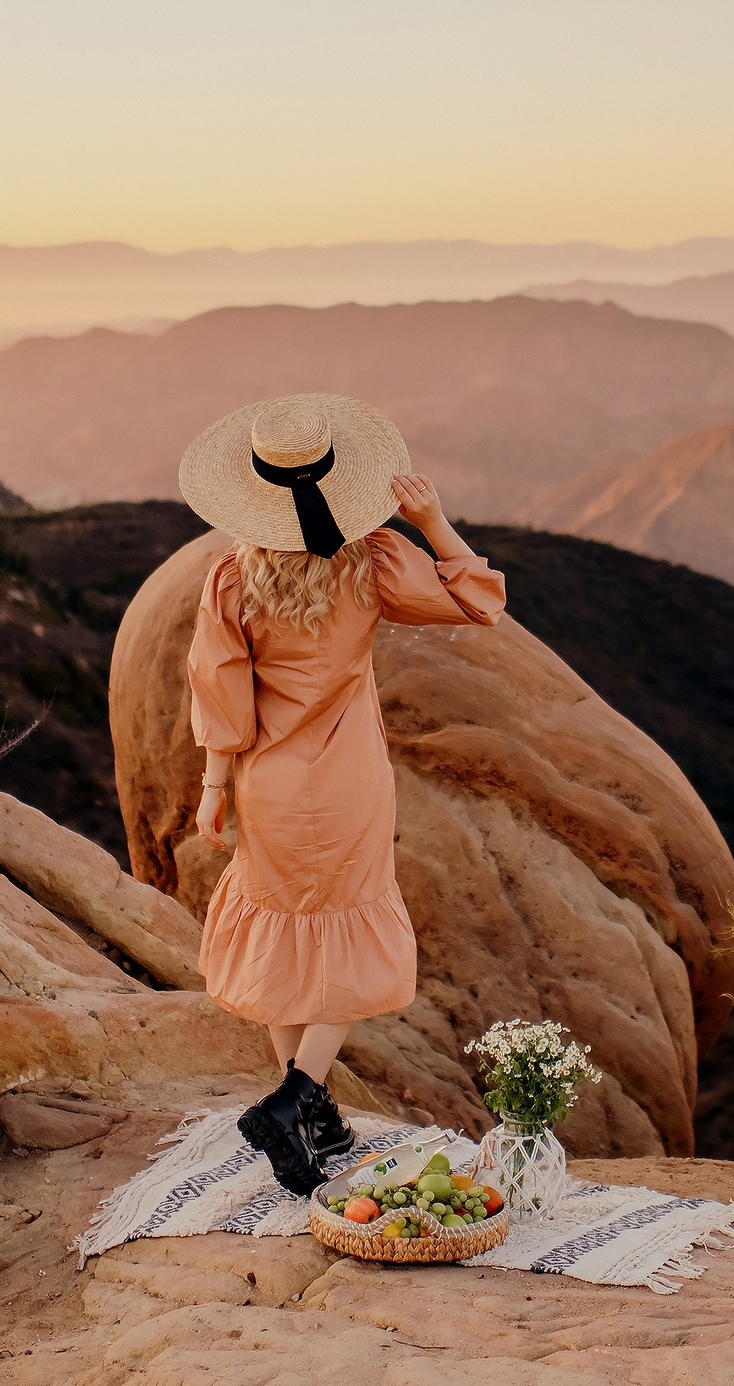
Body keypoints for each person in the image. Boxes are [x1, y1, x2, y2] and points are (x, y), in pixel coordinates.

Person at [176, 392, 505, 1192]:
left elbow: (220, 694)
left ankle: (311, 1124)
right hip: (350, 781)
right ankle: (293, 1102)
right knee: (354, 945)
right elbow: (479, 600)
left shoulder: (232, 580)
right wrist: (433, 522)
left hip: (268, 787)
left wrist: (214, 788)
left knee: (286, 940)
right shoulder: (373, 562)